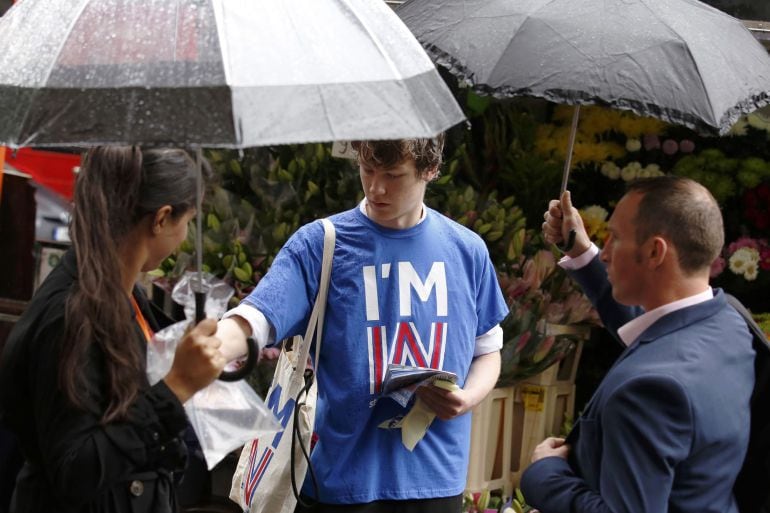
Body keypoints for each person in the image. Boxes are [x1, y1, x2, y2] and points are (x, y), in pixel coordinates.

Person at [217, 136, 509, 512]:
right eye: (367, 170)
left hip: (436, 478)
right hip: (341, 476)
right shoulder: (320, 244)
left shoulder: (467, 250)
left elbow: (487, 349)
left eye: (393, 175)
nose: (376, 187)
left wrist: (467, 399)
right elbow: (258, 317)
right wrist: (215, 346)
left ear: (430, 170)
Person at [0, 146, 227, 513]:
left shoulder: (124, 294)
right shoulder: (69, 313)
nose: (185, 237)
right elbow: (75, 470)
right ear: (162, 218)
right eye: (188, 221)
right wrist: (176, 388)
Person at [521, 177, 755, 513]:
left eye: (614, 238)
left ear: (655, 251)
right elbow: (653, 332)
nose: (604, 253)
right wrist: (579, 250)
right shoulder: (727, 320)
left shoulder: (650, 389)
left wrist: (545, 473)